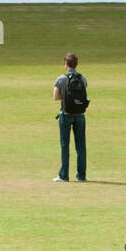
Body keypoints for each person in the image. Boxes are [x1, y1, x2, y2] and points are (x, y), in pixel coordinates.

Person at [52, 52, 88, 184]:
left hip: (66, 115)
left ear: (65, 64)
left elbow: (55, 97)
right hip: (80, 116)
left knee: (65, 145)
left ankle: (64, 175)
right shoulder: (82, 78)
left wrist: (66, 98)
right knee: (81, 146)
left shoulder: (61, 79)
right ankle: (81, 175)